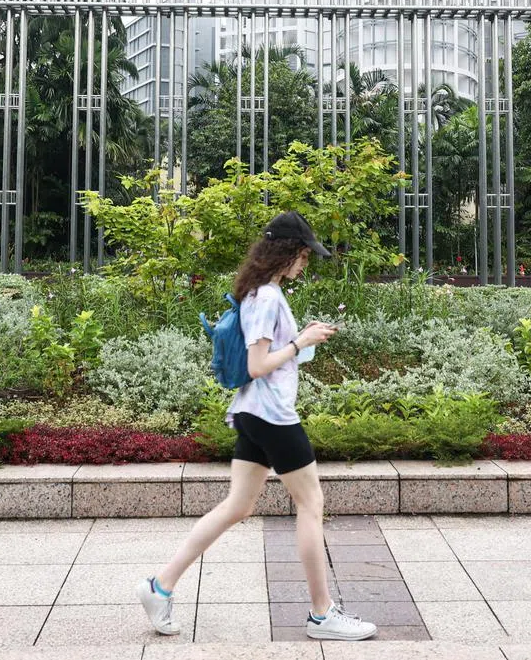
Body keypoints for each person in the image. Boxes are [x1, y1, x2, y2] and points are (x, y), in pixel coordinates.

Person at [136, 211, 378, 642]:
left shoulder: (254, 293)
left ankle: (159, 587)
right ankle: (322, 616)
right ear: (287, 253)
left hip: (251, 411)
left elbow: (265, 358)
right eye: (303, 255)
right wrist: (300, 342)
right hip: (272, 415)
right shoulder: (267, 297)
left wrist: (301, 340)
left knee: (237, 506)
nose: (305, 264)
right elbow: (258, 364)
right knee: (311, 504)